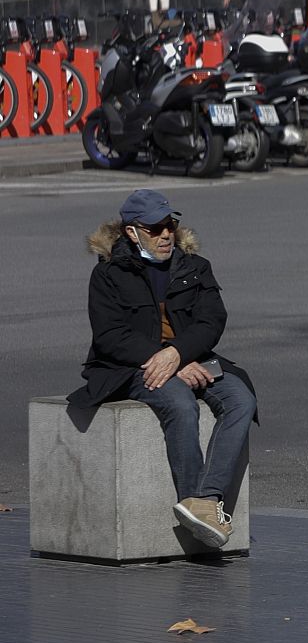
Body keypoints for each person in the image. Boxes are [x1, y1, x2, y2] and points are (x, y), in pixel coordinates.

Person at [67, 190, 257, 549]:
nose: (166, 234)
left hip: (191, 358)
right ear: (131, 232)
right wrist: (167, 361)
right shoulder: (108, 274)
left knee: (241, 399)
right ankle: (194, 502)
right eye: (155, 228)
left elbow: (212, 321)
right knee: (180, 402)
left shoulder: (195, 265)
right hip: (130, 367)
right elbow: (111, 337)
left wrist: (179, 356)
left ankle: (204, 499)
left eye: (169, 224)